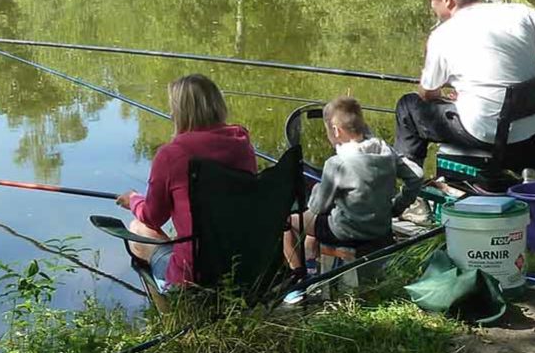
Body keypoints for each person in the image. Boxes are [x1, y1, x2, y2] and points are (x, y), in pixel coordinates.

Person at [394, 0, 535, 209]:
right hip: (534, 129)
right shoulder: (515, 12)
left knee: (408, 106)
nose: (432, 7)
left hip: (487, 134)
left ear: (447, 0)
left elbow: (427, 93)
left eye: (432, 1)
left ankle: (412, 195)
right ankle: (523, 172)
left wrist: (447, 97)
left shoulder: (442, 35)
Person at [116, 74, 256, 291]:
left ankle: (171, 307)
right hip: (245, 261)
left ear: (179, 112)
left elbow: (153, 218)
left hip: (195, 273)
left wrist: (133, 200)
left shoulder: (172, 155)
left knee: (138, 228)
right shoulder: (242, 144)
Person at [282, 97, 397, 295]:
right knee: (319, 223)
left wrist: (319, 187)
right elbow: (416, 176)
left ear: (336, 130)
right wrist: (397, 207)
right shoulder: (385, 151)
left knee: (286, 221)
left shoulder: (337, 163)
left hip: (348, 230)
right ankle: (313, 260)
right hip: (381, 225)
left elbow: (317, 207)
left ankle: (298, 278)